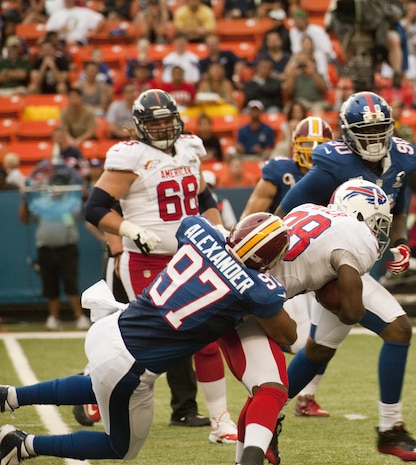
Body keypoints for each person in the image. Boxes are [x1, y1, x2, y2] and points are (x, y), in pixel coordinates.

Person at [0, 213, 296, 465]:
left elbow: (197, 236)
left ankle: (10, 396)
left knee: (99, 387)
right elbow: (288, 335)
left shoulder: (197, 228)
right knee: (121, 448)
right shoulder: (258, 291)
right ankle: (24, 446)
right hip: (131, 364)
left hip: (111, 327)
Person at [275, 91, 416, 461]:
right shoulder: (331, 164)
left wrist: (401, 243)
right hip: (332, 264)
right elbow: (284, 215)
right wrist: (301, 268)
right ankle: (390, 429)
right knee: (398, 329)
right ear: (347, 134)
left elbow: (399, 210)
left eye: (381, 130)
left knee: (316, 351)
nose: (376, 139)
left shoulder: (403, 159)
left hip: (353, 262)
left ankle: (263, 415)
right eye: (367, 131)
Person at [83, 89, 233, 438]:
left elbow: (203, 195)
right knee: (145, 342)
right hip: (145, 262)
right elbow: (95, 207)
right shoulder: (130, 156)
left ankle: (220, 421)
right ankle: (91, 385)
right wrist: (131, 229)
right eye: (156, 122)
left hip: (191, 257)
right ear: (140, 126)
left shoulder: (190, 147)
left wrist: (218, 226)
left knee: (207, 336)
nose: (165, 128)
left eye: (169, 120)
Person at [240, 116, 334, 417]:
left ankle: (306, 396)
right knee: (299, 340)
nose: (315, 152)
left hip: (320, 264)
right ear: (295, 148)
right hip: (283, 263)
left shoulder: (339, 173)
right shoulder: (281, 172)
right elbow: (252, 210)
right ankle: (273, 389)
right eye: (309, 146)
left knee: (327, 335)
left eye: (322, 147)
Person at [18, 161, 92, 331]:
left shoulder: (72, 204)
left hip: (67, 248)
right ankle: (53, 318)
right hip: (46, 249)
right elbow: (24, 219)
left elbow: (87, 213)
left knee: (70, 283)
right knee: (50, 285)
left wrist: (85, 196)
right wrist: (24, 199)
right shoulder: (41, 205)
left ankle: (79, 317)